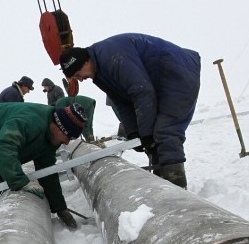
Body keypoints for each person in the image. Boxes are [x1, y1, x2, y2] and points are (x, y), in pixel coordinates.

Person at [59, 33, 201, 189]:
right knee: (153, 137)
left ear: (85, 62)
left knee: (165, 131)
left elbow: (142, 91)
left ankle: (178, 189)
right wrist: (133, 132)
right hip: (158, 81)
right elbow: (121, 102)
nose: (80, 79)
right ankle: (164, 185)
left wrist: (146, 133)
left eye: (78, 74)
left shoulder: (111, 56)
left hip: (178, 71)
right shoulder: (99, 71)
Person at [0, 102, 87, 242]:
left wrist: (60, 208)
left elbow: (47, 173)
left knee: (1, 181)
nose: (68, 142)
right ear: (59, 126)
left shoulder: (51, 138)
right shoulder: (31, 122)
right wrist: (20, 181)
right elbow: (3, 147)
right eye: (68, 136)